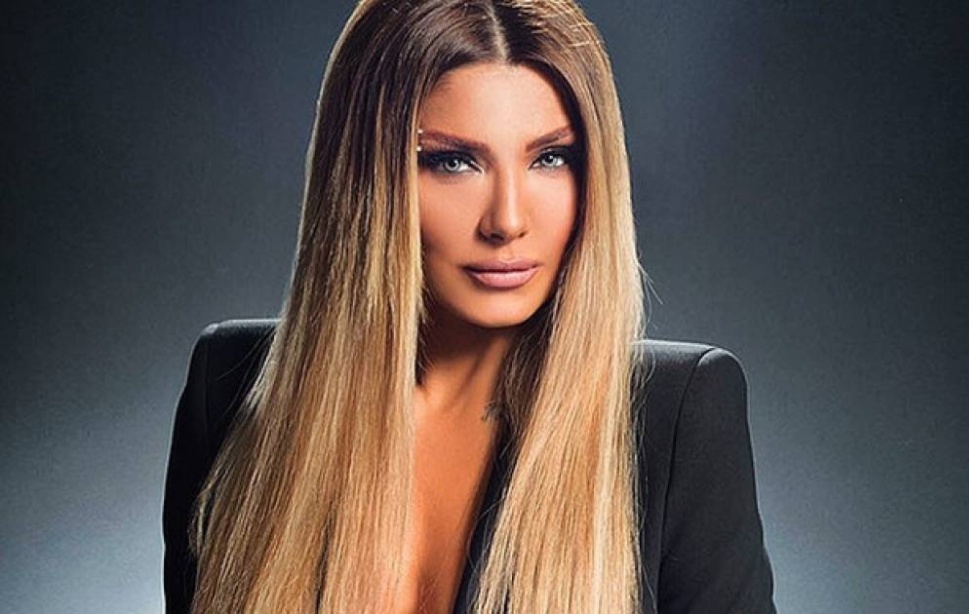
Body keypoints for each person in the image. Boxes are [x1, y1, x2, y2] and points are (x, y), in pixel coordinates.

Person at [162, 0, 776, 612]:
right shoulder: (231, 392)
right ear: (364, 180)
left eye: (550, 158)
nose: (507, 220)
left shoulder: (676, 418)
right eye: (453, 161)